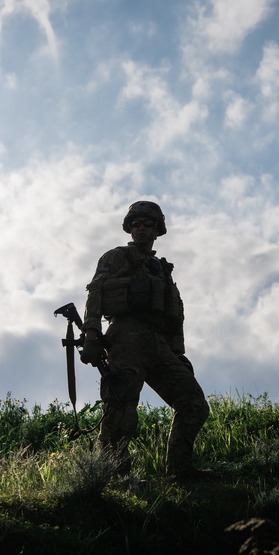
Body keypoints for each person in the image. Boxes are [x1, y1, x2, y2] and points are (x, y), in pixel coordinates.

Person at [79, 201, 211, 481]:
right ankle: (115, 475)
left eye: (147, 223)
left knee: (194, 403)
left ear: (157, 229)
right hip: (126, 336)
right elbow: (95, 293)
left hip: (159, 343)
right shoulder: (116, 257)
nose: (141, 228)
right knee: (121, 408)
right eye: (135, 223)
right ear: (129, 228)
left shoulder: (162, 270)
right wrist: (91, 333)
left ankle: (180, 470)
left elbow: (175, 314)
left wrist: (178, 353)